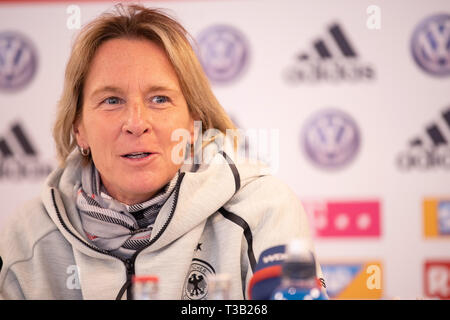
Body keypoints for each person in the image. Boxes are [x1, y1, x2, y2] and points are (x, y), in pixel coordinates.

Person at [0, 4, 325, 300]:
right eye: (112, 100)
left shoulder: (263, 208)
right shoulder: (27, 237)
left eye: (159, 99)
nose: (136, 123)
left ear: (194, 120)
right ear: (78, 129)